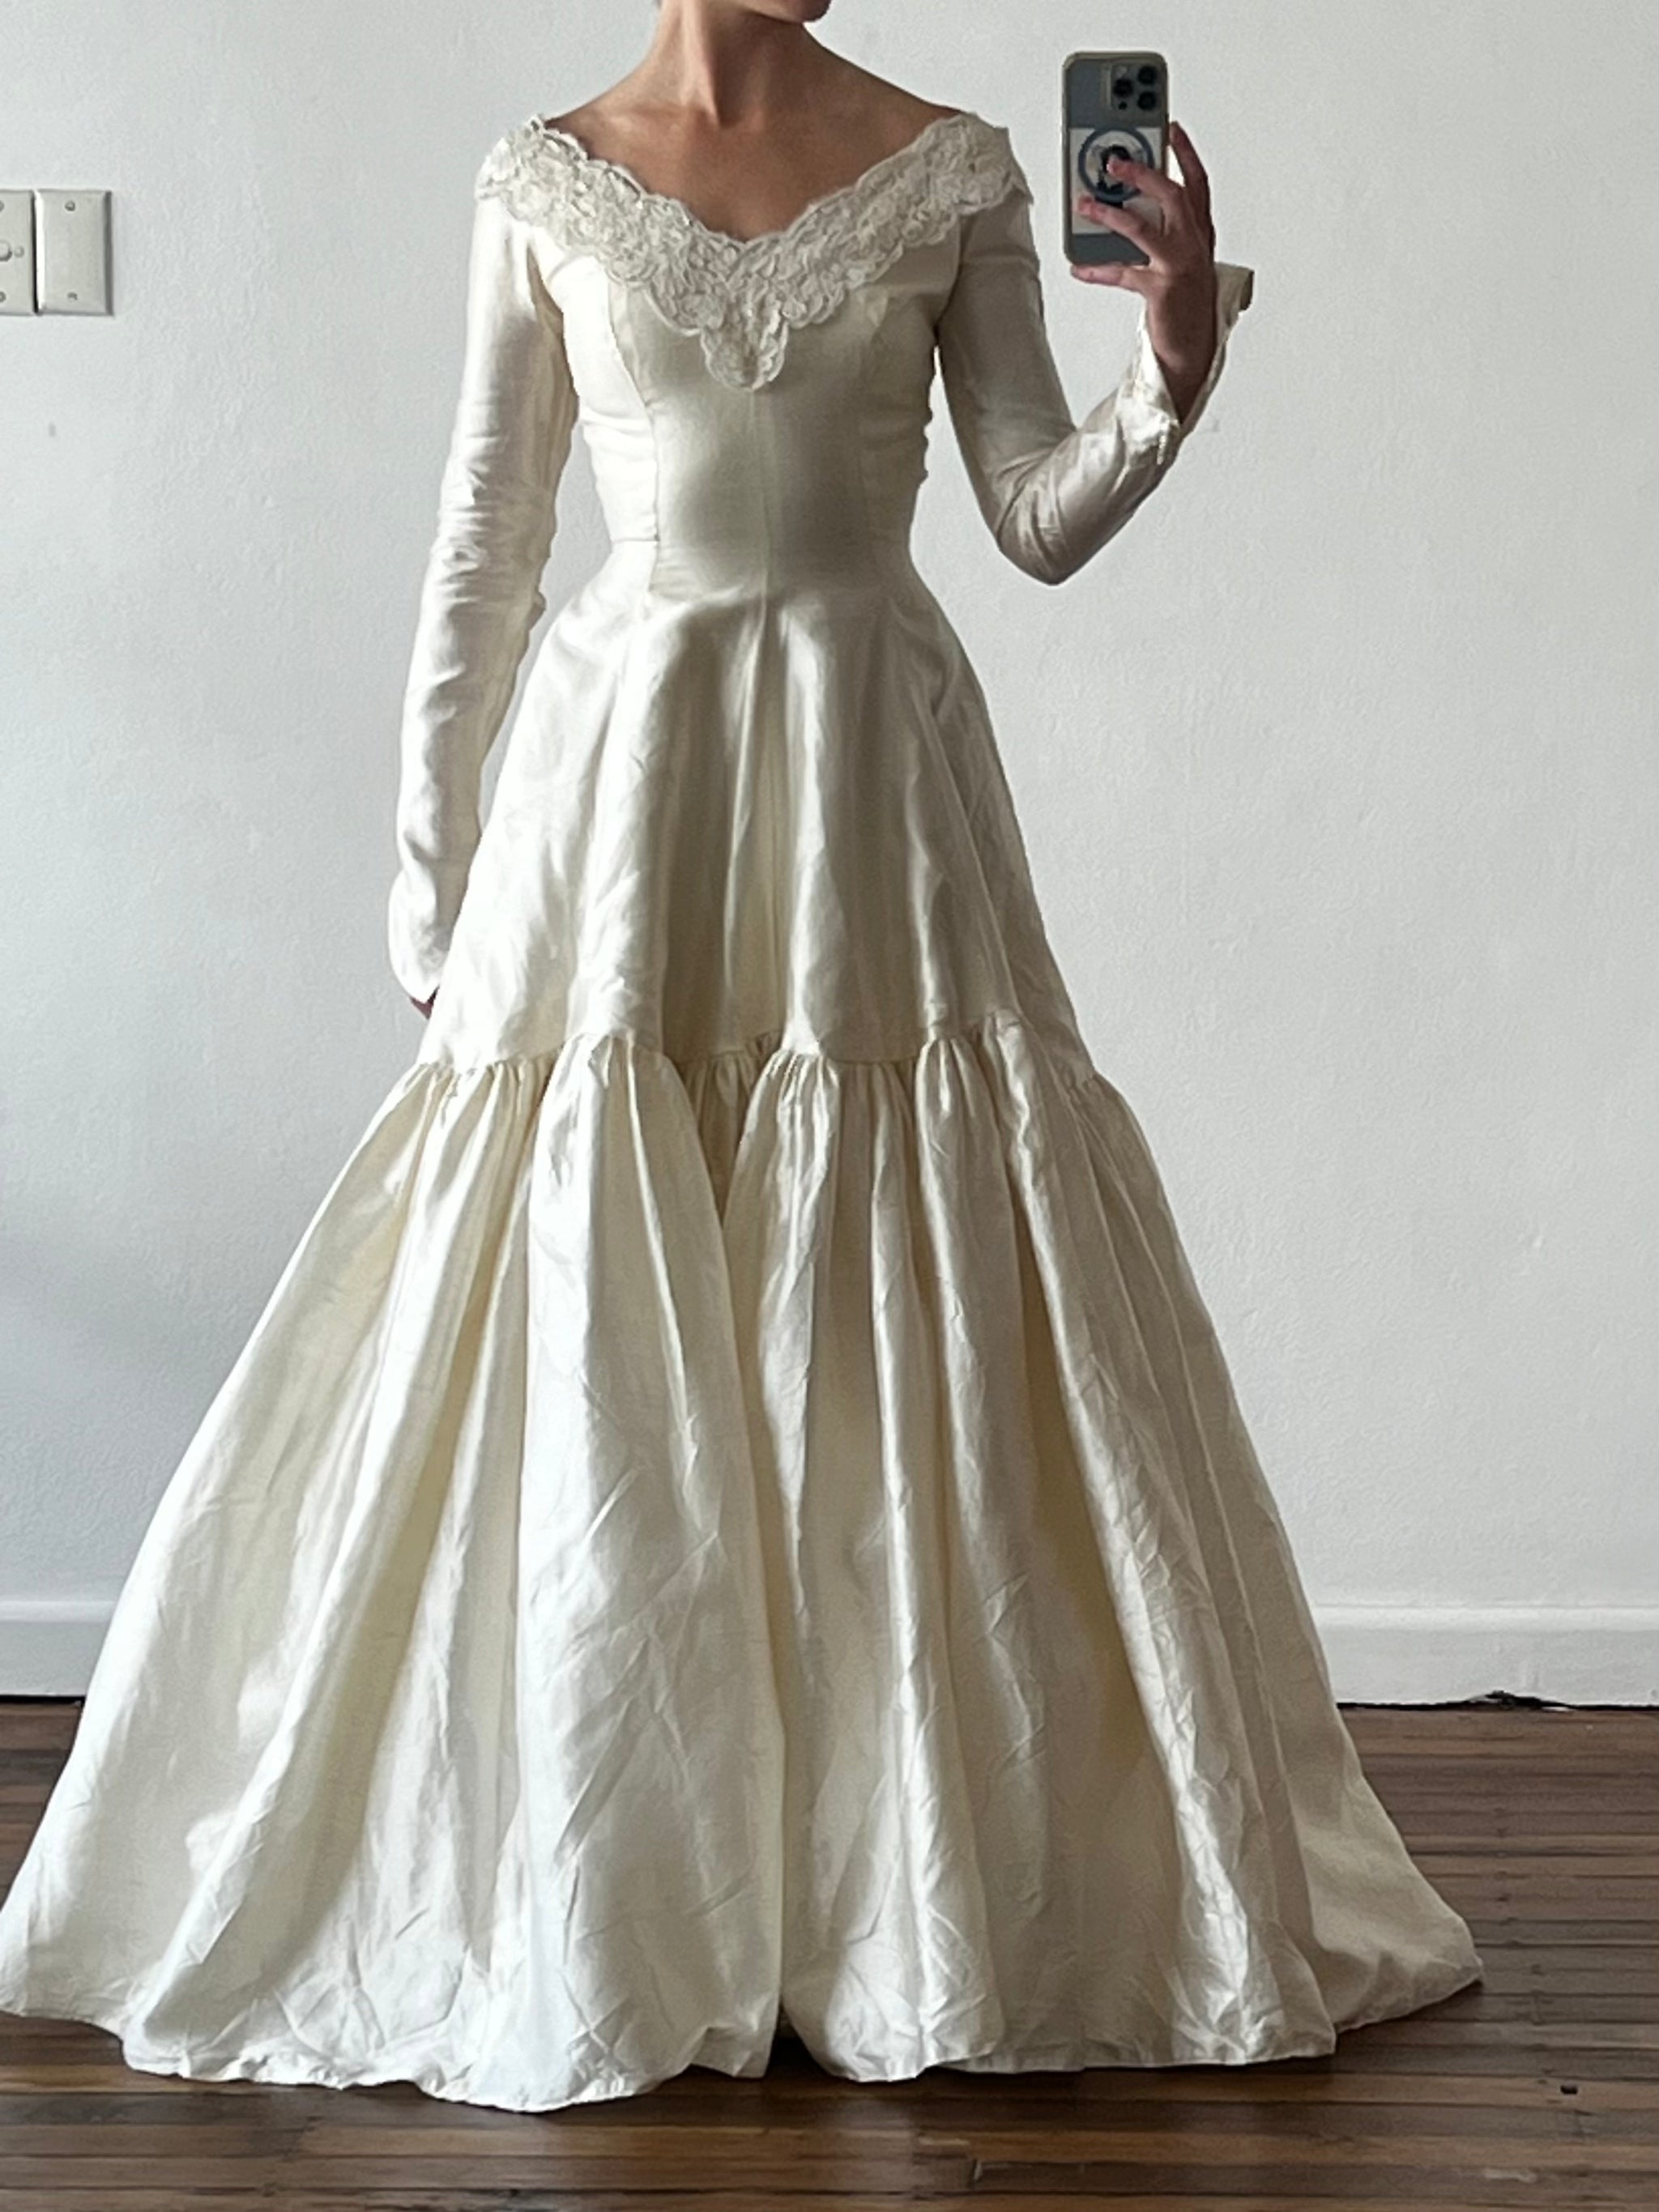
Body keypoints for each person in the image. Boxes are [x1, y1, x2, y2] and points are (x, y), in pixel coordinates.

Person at [0, 0, 1481, 2115]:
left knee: (885, 1288)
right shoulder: (542, 178)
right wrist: (432, 884)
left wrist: (1170, 374)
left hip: (870, 781)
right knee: (597, 1299)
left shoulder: (955, 165)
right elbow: (488, 539)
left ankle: (889, 1888)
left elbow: (1029, 510)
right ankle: (622, 1875)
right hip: (623, 799)